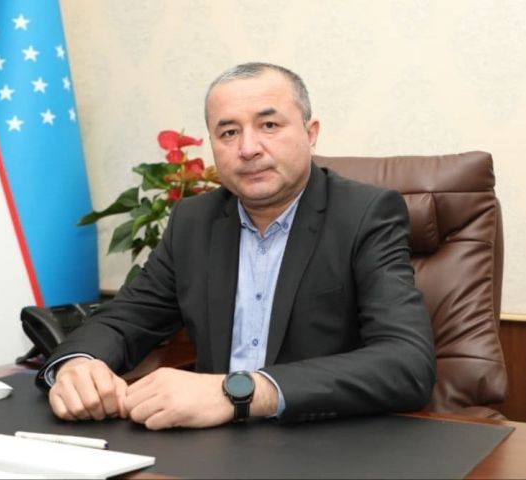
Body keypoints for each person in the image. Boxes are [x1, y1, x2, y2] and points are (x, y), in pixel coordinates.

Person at [37, 62, 436, 430]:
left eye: (269, 125)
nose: (248, 148)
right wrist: (77, 365)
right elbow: (126, 319)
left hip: (323, 441)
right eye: (228, 132)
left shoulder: (365, 214)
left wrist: (240, 392)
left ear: (310, 133)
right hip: (215, 446)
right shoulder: (194, 221)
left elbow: (406, 363)